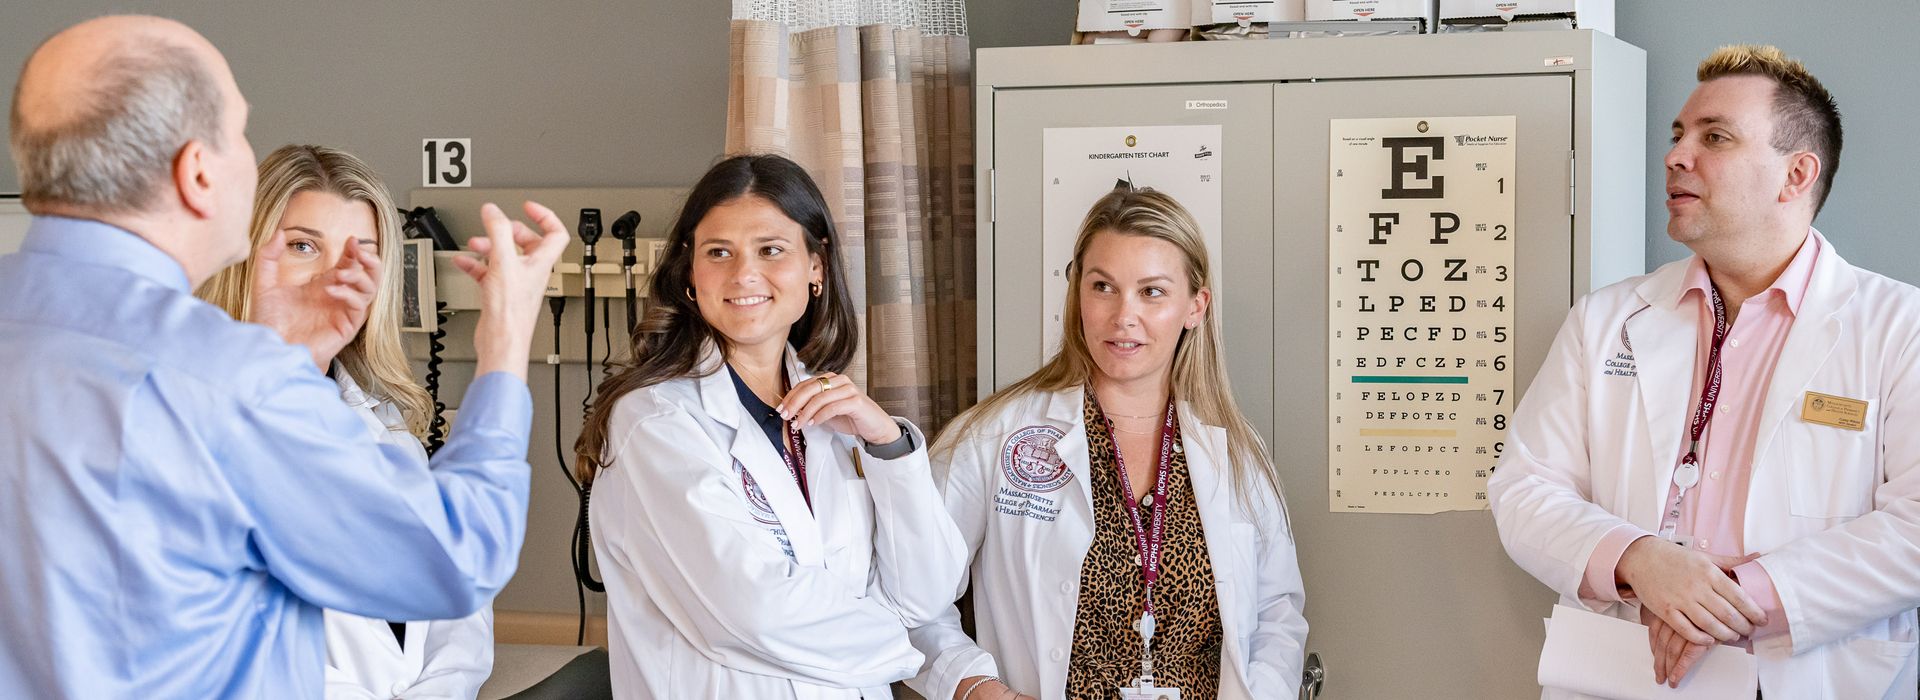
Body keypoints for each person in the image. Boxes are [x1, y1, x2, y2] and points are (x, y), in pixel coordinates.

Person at [0, 16, 567, 698]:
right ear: (198, 172)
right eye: (240, 132)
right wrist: (506, 336)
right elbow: (460, 556)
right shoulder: (231, 381)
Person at [1489, 44, 1920, 698]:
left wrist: (1731, 598)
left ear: (1796, 174)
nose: (1675, 156)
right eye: (1678, 134)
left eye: (1714, 137)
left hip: (1807, 674)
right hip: (1619, 671)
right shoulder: (1606, 320)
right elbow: (1525, 488)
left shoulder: (1900, 327)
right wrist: (1641, 562)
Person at [574, 153, 967, 699]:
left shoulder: (836, 418)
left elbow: (928, 592)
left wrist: (887, 445)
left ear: (816, 267)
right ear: (690, 273)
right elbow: (752, 610)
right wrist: (907, 647)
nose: (744, 274)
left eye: (771, 250)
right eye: (719, 252)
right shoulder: (656, 422)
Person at [908, 187, 1307, 700]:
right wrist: (980, 690)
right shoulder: (993, 435)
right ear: (1078, 294)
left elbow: (1277, 613)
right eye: (1103, 287)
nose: (1123, 316)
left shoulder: (1235, 451)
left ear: (1195, 306)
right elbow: (911, 597)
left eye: (1152, 292)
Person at [197, 144, 493, 699]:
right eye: (302, 246)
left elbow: (460, 622)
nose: (332, 277)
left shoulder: (390, 437)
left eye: (360, 253)